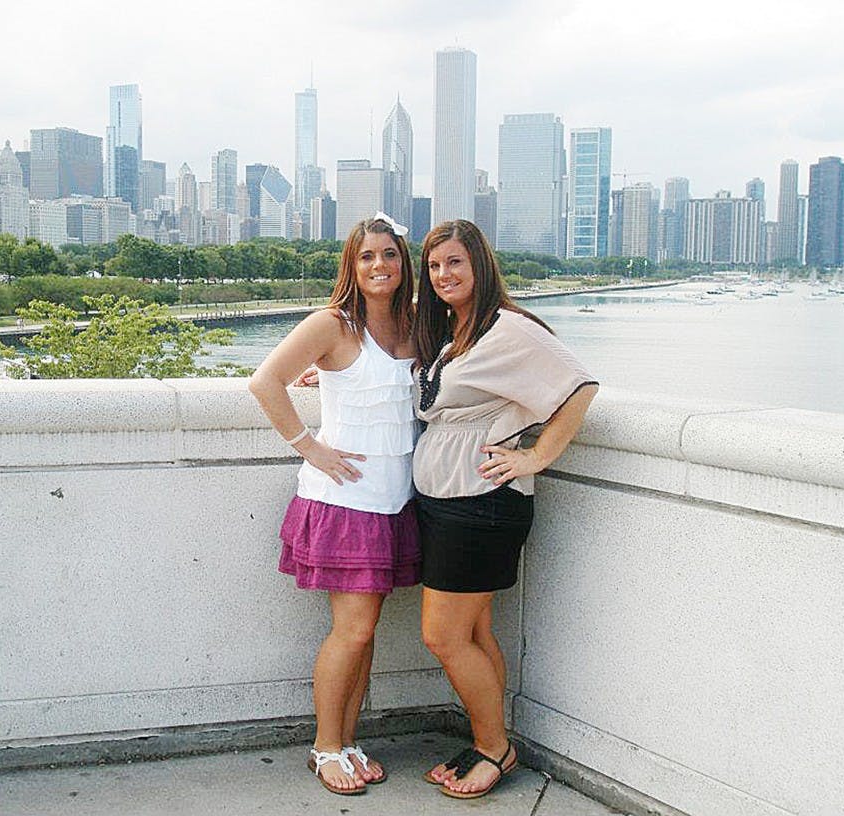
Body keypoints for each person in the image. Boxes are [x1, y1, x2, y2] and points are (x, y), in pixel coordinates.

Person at [413, 220, 598, 800]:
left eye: (455, 263)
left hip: (482, 504)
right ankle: (487, 736)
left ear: (480, 266)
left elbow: (580, 387)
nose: (444, 275)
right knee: (473, 630)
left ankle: (496, 747)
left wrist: (537, 456)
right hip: (447, 501)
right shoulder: (454, 335)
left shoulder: (510, 328)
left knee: (442, 636)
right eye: (435, 266)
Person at [248, 214, 420, 797]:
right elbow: (265, 382)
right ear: (352, 264)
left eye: (390, 255)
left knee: (365, 633)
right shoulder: (332, 324)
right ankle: (324, 747)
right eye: (368, 256)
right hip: (345, 501)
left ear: (404, 263)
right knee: (353, 629)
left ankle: (349, 741)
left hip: (397, 498)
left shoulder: (414, 326)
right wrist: (310, 447)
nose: (380, 266)